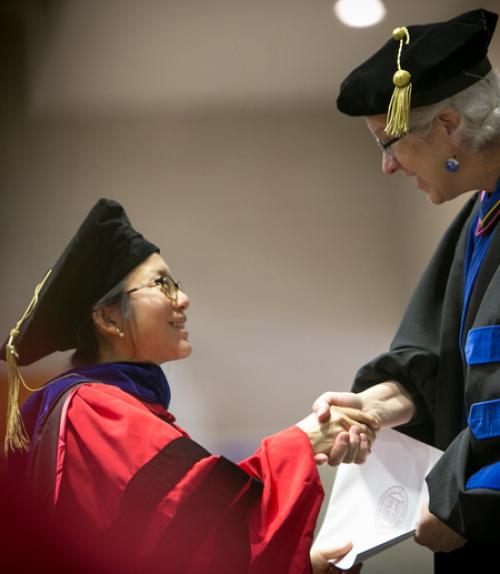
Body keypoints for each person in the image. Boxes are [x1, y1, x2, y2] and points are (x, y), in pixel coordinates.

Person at [1, 198, 378, 574]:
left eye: (175, 284)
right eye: (161, 284)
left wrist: (305, 566)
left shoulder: (117, 405)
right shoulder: (93, 409)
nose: (183, 298)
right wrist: (302, 441)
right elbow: (199, 526)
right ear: (108, 317)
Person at [314, 7, 500, 573]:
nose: (388, 167)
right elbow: (441, 366)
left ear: (447, 124)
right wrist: (375, 407)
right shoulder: (480, 221)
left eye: (388, 143)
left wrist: (475, 493)